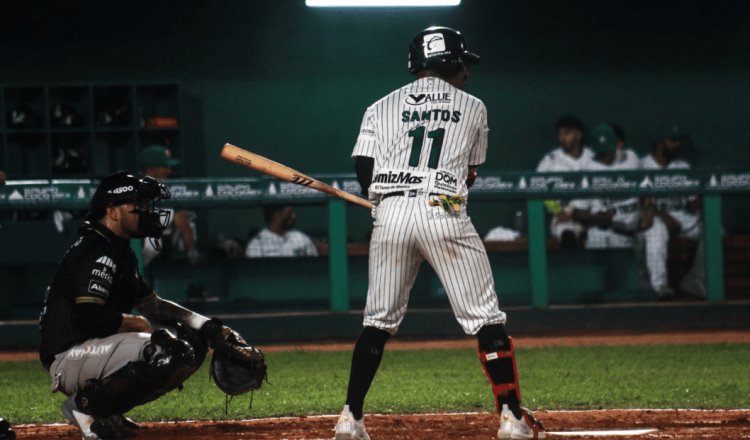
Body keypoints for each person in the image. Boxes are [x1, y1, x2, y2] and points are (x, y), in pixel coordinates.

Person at [333, 26, 545, 440]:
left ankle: (350, 417)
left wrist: (384, 196)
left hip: (390, 211)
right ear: (448, 63)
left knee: (377, 322)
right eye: (462, 62)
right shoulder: (474, 106)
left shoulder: (379, 106)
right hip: (443, 206)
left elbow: (364, 170)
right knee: (486, 318)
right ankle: (510, 417)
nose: (467, 70)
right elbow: (468, 174)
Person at [38, 171, 261, 440]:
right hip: (69, 356)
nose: (147, 212)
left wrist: (210, 328)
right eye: (139, 206)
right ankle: (87, 408)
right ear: (112, 211)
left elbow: (154, 306)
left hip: (92, 350)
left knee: (192, 341)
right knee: (167, 350)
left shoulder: (117, 249)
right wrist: (133, 323)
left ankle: (108, 410)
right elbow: (88, 315)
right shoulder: (97, 249)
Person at [639, 126, 705, 299]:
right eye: (673, 141)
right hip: (658, 219)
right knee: (655, 231)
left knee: (715, 232)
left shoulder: (683, 165)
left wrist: (699, 195)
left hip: (686, 220)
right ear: (660, 144)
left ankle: (694, 281)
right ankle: (659, 287)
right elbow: (642, 204)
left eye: (678, 141)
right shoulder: (643, 165)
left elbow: (692, 204)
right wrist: (664, 216)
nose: (678, 145)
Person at [573, 123, 644, 249]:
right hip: (603, 234)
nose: (605, 156)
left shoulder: (631, 158)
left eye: (607, 151)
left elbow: (647, 186)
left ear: (616, 144)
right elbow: (578, 212)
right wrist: (596, 218)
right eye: (601, 153)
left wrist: (648, 210)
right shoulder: (588, 169)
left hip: (633, 235)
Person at [536, 116, 595, 249]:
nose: (562, 138)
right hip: (563, 216)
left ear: (579, 135)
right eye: (560, 134)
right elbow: (537, 189)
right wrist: (558, 211)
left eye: (567, 133)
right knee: (567, 236)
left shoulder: (592, 157)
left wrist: (590, 219)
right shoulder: (551, 160)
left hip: (591, 217)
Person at [139, 144, 200, 266]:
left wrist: (192, 252)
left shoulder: (171, 189)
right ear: (152, 169)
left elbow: (182, 222)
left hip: (163, 246)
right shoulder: (133, 188)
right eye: (165, 167)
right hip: (134, 244)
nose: (169, 171)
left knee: (189, 221)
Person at [244, 204, 319, 258]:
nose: (294, 216)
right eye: (290, 213)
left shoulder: (301, 238)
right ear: (276, 214)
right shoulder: (257, 244)